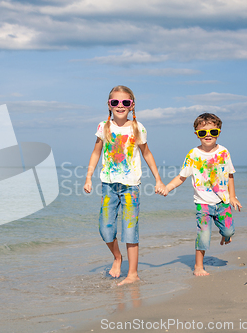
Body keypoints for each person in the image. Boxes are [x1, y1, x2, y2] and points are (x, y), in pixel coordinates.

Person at [84, 85, 166, 286]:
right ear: (109, 105)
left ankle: (133, 274)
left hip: (131, 187)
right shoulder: (104, 126)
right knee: (105, 229)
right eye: (115, 102)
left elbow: (147, 153)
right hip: (108, 185)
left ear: (132, 106)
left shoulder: (138, 128)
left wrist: (158, 179)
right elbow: (96, 152)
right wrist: (88, 177)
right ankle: (117, 257)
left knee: (130, 230)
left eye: (125, 102)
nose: (120, 106)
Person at [162, 113, 242, 276]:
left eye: (212, 132)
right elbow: (182, 176)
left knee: (229, 232)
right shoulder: (193, 155)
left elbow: (230, 175)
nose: (208, 136)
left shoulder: (224, 152)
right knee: (203, 235)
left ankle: (224, 235)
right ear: (196, 134)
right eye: (202, 132)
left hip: (223, 203)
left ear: (218, 132)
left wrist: (232, 196)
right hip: (203, 203)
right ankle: (198, 266)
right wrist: (168, 187)